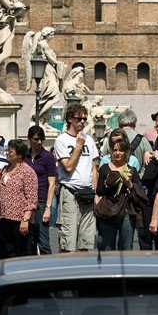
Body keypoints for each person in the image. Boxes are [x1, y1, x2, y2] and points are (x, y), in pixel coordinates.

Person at [54, 103, 99, 252]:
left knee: (86, 241)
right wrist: (78, 145)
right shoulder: (62, 140)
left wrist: (96, 193)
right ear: (69, 119)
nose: (82, 122)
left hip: (88, 193)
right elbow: (67, 167)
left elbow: (94, 169)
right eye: (79, 118)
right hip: (70, 192)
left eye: (84, 119)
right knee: (69, 240)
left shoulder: (90, 140)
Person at [0, 139, 37, 259]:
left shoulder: (27, 172)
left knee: (22, 253)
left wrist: (25, 219)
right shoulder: (5, 169)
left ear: (19, 154)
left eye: (10, 152)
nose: (7, 154)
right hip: (4, 218)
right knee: (8, 252)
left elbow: (31, 199)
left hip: (20, 220)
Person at [95, 131, 144, 251]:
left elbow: (139, 193)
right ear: (111, 151)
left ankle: (125, 269)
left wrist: (129, 183)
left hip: (126, 211)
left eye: (121, 150)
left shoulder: (131, 170)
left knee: (126, 247)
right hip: (108, 211)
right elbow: (99, 190)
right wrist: (107, 184)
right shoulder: (105, 168)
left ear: (126, 152)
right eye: (115, 150)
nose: (117, 153)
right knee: (107, 247)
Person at [23, 125, 55, 255]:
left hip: (41, 201)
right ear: (29, 139)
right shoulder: (24, 156)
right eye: (36, 139)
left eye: (41, 139)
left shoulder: (47, 157)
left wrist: (48, 208)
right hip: (26, 202)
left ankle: (49, 273)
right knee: (29, 241)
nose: (39, 142)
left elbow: (51, 184)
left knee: (43, 242)